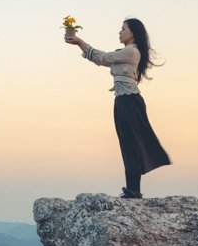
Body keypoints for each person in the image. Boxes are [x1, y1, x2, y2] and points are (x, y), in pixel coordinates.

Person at [64, 17, 171, 198]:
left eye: (123, 29)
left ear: (133, 33)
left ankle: (133, 190)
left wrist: (81, 42)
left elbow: (104, 58)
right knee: (128, 144)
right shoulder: (128, 51)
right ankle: (132, 189)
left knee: (131, 145)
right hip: (123, 100)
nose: (120, 32)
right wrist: (80, 44)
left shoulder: (131, 52)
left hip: (130, 101)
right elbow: (102, 58)